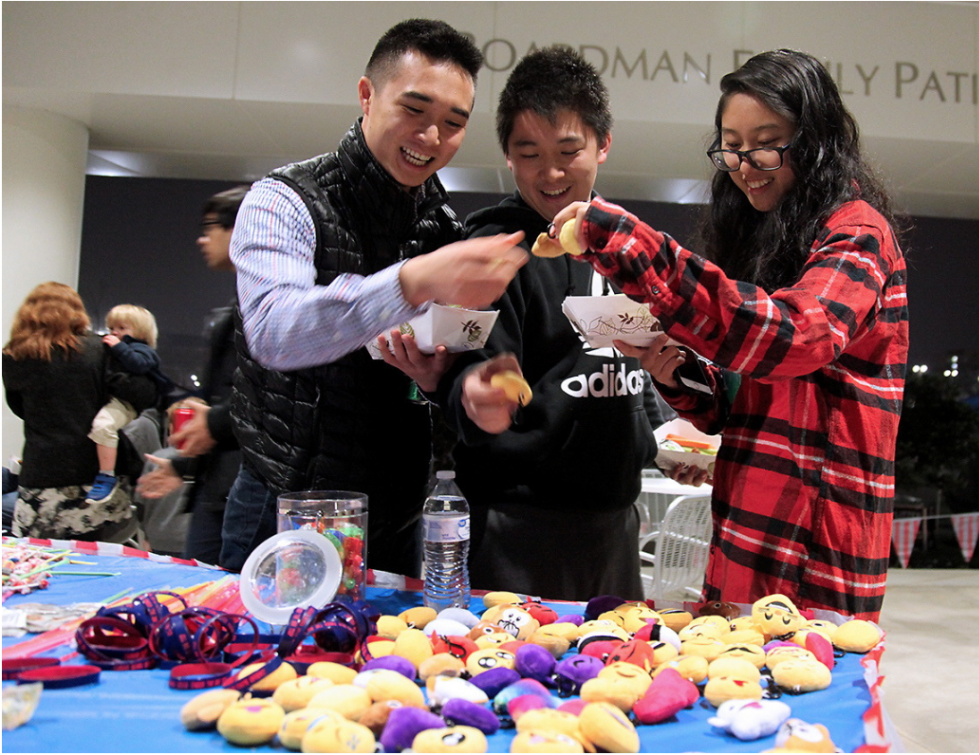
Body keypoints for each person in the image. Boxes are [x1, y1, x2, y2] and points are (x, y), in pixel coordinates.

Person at [550, 49, 909, 621]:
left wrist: (626, 240)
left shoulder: (859, 233)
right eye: (732, 146)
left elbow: (794, 338)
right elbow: (752, 398)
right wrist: (684, 374)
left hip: (819, 555)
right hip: (746, 536)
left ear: (816, 140)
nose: (745, 163)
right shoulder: (772, 238)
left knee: (811, 701)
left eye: (766, 142)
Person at [223, 19, 527, 575]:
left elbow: (436, 376)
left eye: (453, 123)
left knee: (393, 661)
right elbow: (273, 330)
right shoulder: (284, 199)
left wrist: (450, 383)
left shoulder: (442, 224)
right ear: (367, 95)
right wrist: (412, 281)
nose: (432, 138)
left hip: (399, 512)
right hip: (288, 505)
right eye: (415, 110)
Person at [384, 47, 664, 601]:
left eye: (568, 150)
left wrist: (659, 438)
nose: (551, 172)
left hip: (615, 524)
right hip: (517, 529)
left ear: (603, 145)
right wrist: (476, 394)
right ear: (508, 158)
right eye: (528, 152)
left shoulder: (630, 246)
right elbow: (468, 362)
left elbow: (628, 368)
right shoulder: (492, 249)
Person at [135, 185, 249, 563]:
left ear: (238, 230)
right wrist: (184, 464)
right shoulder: (241, 304)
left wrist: (211, 422)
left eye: (210, 226)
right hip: (223, 487)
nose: (203, 238)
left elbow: (265, 400)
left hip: (240, 492)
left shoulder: (259, 307)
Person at [3, 282, 159, 540]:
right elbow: (142, 393)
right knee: (110, 563)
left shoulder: (13, 356)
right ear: (76, 312)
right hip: (96, 475)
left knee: (42, 565)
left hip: (40, 475)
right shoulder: (98, 349)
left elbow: (19, 408)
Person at [85, 304, 178, 505]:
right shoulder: (113, 350)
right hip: (112, 400)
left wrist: (119, 348)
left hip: (125, 403)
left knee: (104, 426)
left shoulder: (142, 351)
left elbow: (140, 364)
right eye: (111, 328)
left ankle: (106, 475)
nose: (115, 333)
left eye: (122, 328)